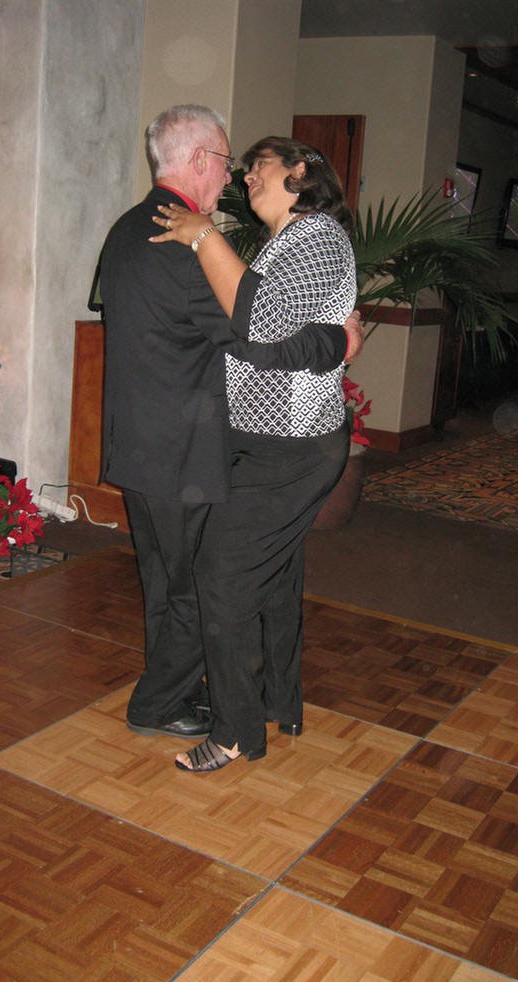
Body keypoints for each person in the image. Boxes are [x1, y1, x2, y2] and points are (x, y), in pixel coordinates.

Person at [99, 108, 362, 742]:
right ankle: (156, 703)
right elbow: (263, 337)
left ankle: (185, 695)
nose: (234, 176)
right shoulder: (187, 249)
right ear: (197, 162)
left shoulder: (128, 230)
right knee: (197, 587)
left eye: (247, 166)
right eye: (225, 163)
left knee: (165, 581)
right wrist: (338, 345)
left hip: (138, 443)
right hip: (185, 451)